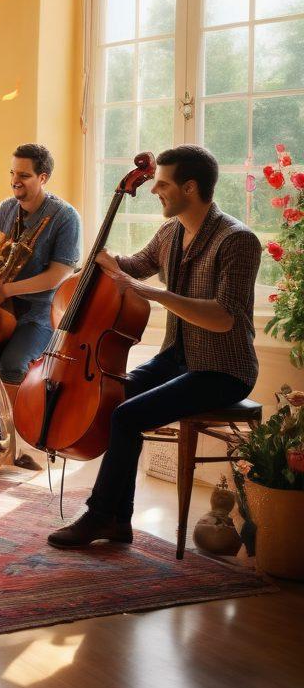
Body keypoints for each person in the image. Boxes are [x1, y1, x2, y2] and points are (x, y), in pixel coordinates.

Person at [48, 145, 260, 548]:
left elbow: (223, 317)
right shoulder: (172, 231)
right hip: (179, 357)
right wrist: (102, 261)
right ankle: (118, 521)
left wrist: (153, 293)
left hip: (224, 369)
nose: (153, 190)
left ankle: (100, 515)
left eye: (162, 184)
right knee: (112, 400)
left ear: (190, 187)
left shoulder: (237, 240)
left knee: (129, 416)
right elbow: (137, 266)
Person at [0, 143, 81, 476]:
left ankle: (28, 441)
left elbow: (59, 275)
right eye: (13, 173)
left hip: (38, 313)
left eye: (23, 175)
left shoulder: (66, 217)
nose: (15, 180)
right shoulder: (6, 208)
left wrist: (9, 288)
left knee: (12, 367)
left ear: (43, 177)